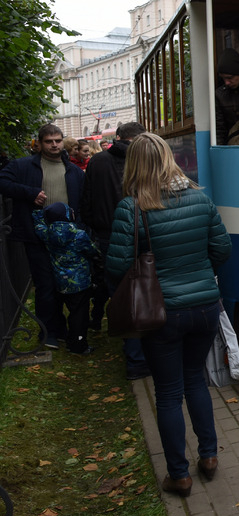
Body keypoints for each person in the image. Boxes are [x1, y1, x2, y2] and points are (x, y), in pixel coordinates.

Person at [106, 133, 232, 498]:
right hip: (205, 307)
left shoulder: (132, 208)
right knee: (196, 381)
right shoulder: (200, 197)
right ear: (168, 158)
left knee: (167, 393)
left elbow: (117, 266)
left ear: (134, 165)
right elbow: (222, 249)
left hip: (161, 313)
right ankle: (208, 457)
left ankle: (179, 475)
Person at [0, 124, 86, 348]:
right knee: (45, 286)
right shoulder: (23, 165)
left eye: (58, 140)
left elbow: (83, 201)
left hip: (67, 239)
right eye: (49, 141)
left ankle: (71, 332)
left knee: (70, 286)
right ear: (39, 143)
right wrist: (29, 193)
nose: (54, 145)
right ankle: (48, 331)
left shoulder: (73, 170)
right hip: (36, 235)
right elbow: (3, 182)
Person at [81, 121, 150, 379]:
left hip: (108, 235)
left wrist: (96, 228)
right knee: (147, 292)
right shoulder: (143, 160)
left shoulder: (97, 162)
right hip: (141, 233)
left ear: (119, 136)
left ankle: (133, 357)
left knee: (121, 296)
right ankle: (146, 354)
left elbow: (86, 200)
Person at [33, 202, 97, 354]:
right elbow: (92, 251)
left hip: (60, 282)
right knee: (79, 316)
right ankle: (78, 345)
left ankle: (64, 335)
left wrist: (41, 211)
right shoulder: (78, 235)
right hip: (80, 283)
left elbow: (37, 222)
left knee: (61, 309)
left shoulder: (48, 234)